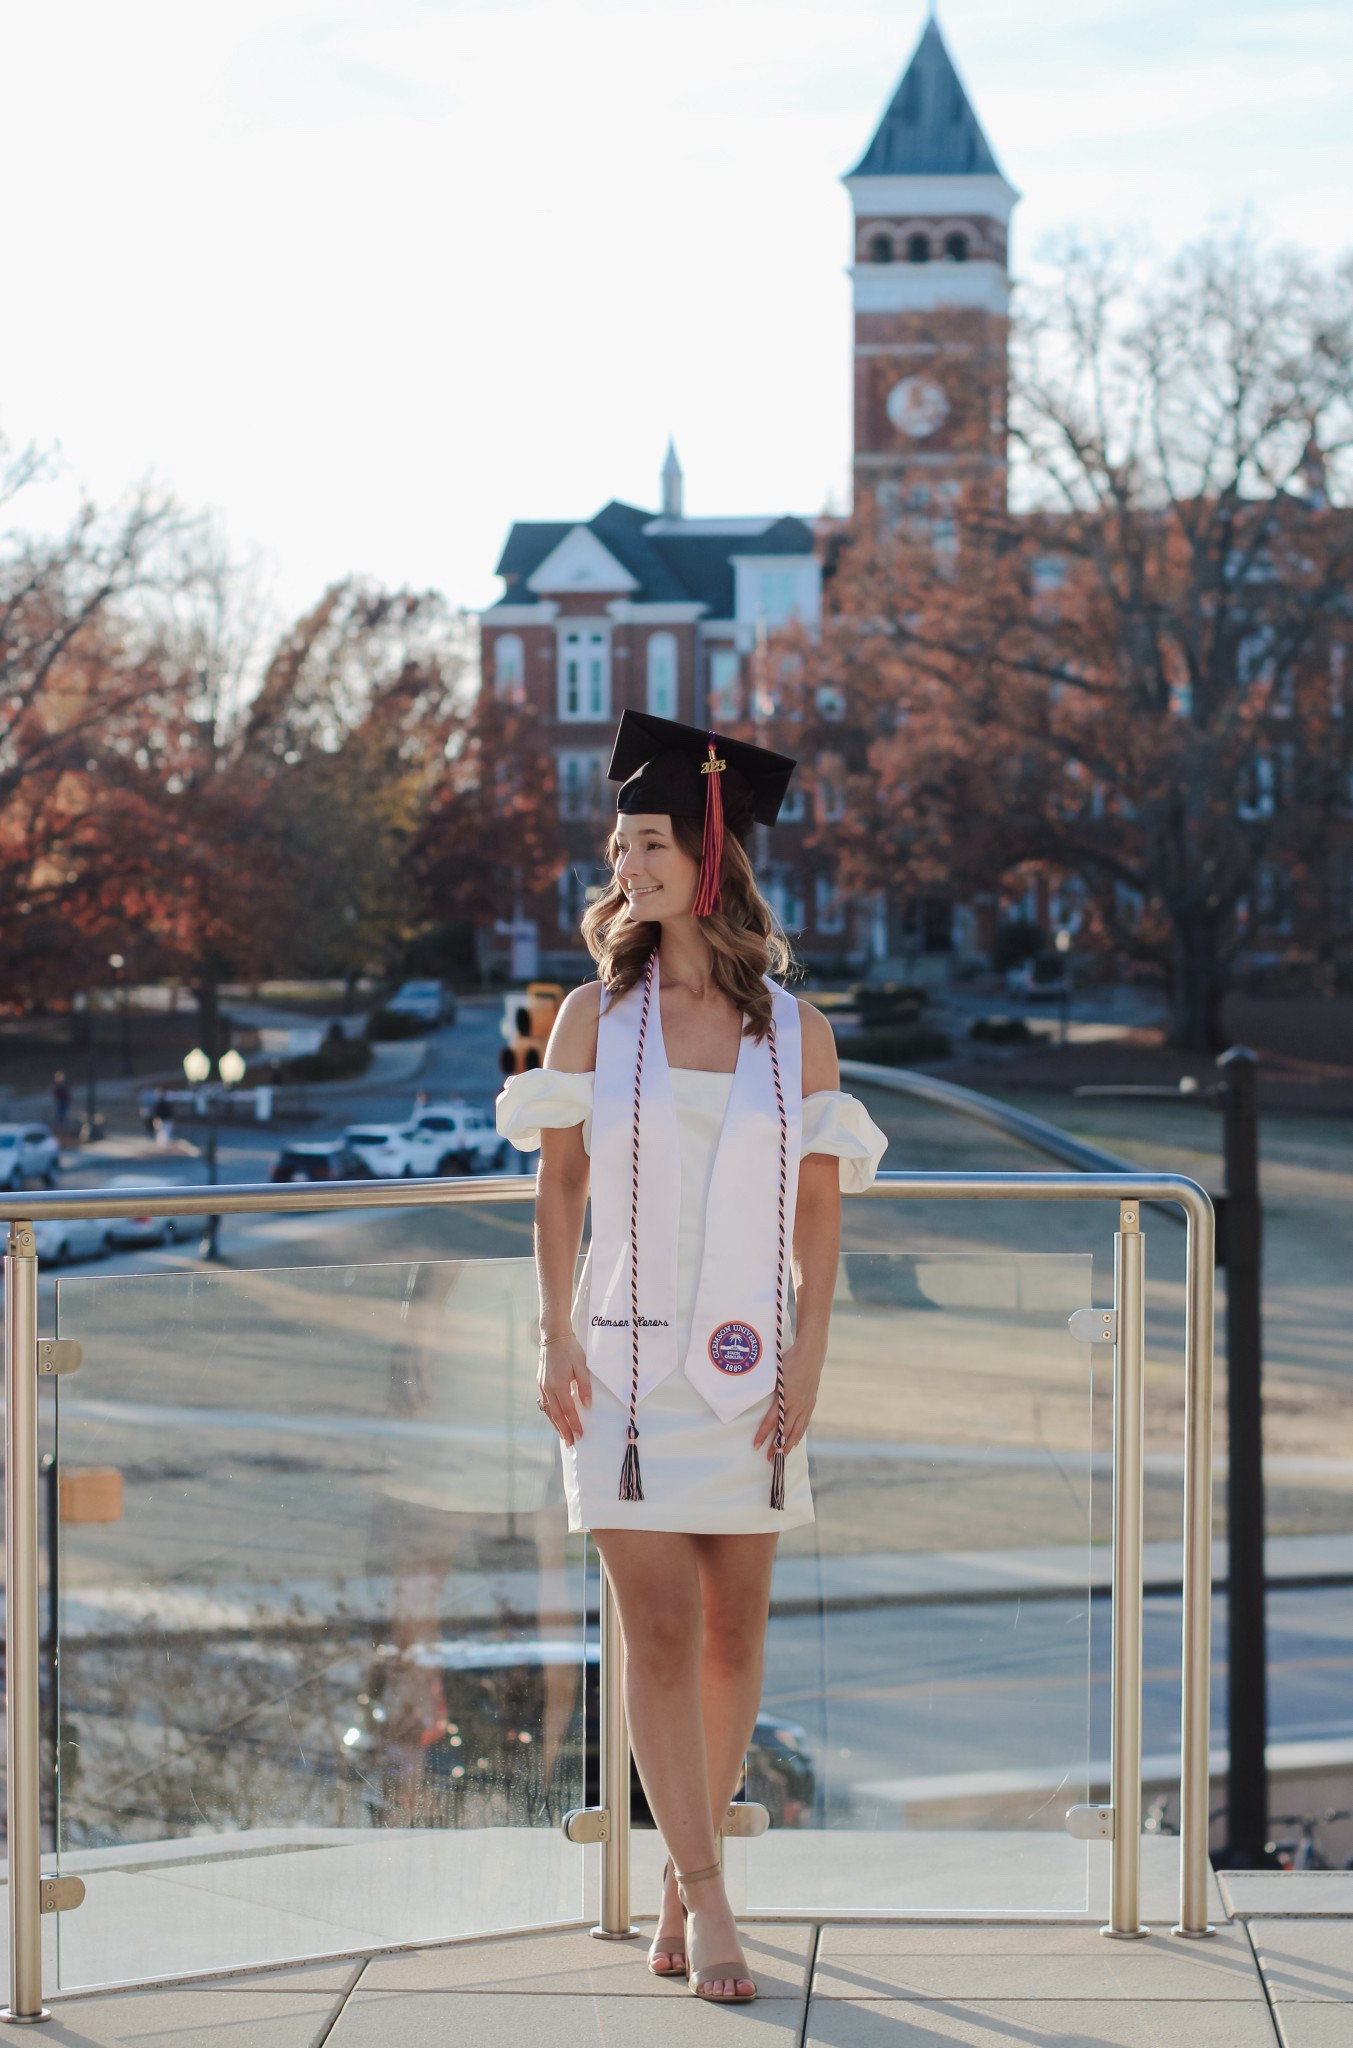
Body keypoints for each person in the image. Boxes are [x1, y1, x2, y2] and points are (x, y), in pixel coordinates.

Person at [496, 711, 885, 2004]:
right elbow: (557, 1191)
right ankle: (712, 1902)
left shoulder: (794, 1035)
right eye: (617, 844)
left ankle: (678, 1865)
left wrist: (808, 1357)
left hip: (748, 1368)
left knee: (734, 1630)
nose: (625, 865)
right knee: (656, 1631)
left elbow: (818, 1214)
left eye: (649, 842)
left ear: (709, 857)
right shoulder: (589, 1025)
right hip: (614, 1375)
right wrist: (550, 1329)